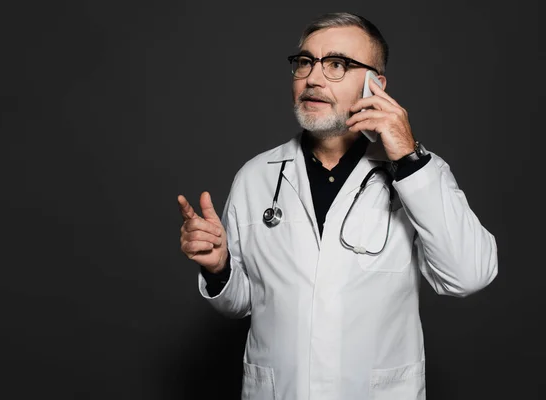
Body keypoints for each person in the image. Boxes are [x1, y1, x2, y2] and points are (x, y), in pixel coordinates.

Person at [177, 12, 497, 400]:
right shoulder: (256, 176)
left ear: (375, 85)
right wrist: (219, 269)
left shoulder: (419, 175)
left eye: (337, 64)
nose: (312, 77)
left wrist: (409, 159)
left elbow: (469, 274)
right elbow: (243, 302)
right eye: (305, 62)